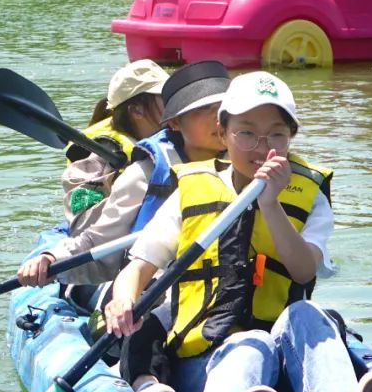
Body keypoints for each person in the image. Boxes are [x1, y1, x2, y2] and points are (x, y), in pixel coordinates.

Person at [103, 71, 372, 392]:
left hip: (285, 366)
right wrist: (123, 300)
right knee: (252, 342)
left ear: (291, 136)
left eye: (276, 134)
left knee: (307, 315)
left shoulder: (309, 194)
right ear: (222, 133)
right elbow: (139, 267)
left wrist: (271, 206)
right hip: (204, 362)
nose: (263, 148)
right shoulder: (191, 189)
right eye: (246, 133)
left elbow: (303, 270)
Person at [18, 61, 232, 297]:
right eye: (166, 98)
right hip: (146, 277)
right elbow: (89, 232)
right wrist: (53, 257)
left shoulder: (245, 158)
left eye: (224, 108)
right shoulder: (117, 166)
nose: (219, 118)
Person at [61, 60, 168, 218]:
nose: (177, 105)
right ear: (137, 111)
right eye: (167, 99)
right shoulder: (100, 155)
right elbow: (82, 216)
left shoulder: (170, 138)